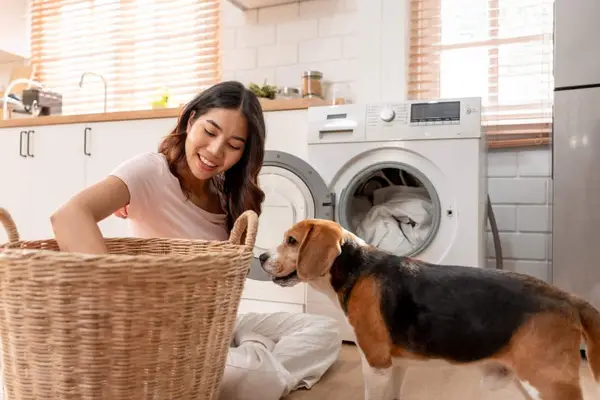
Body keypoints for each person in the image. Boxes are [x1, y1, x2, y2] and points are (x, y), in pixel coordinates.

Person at [50, 80, 341, 399]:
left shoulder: (226, 192)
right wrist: (118, 300)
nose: (216, 151)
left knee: (325, 330)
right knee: (257, 375)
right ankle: (250, 366)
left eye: (234, 144)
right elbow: (68, 216)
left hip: (216, 325)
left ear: (244, 152)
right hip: (163, 335)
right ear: (191, 121)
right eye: (210, 131)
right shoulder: (151, 170)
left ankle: (248, 363)